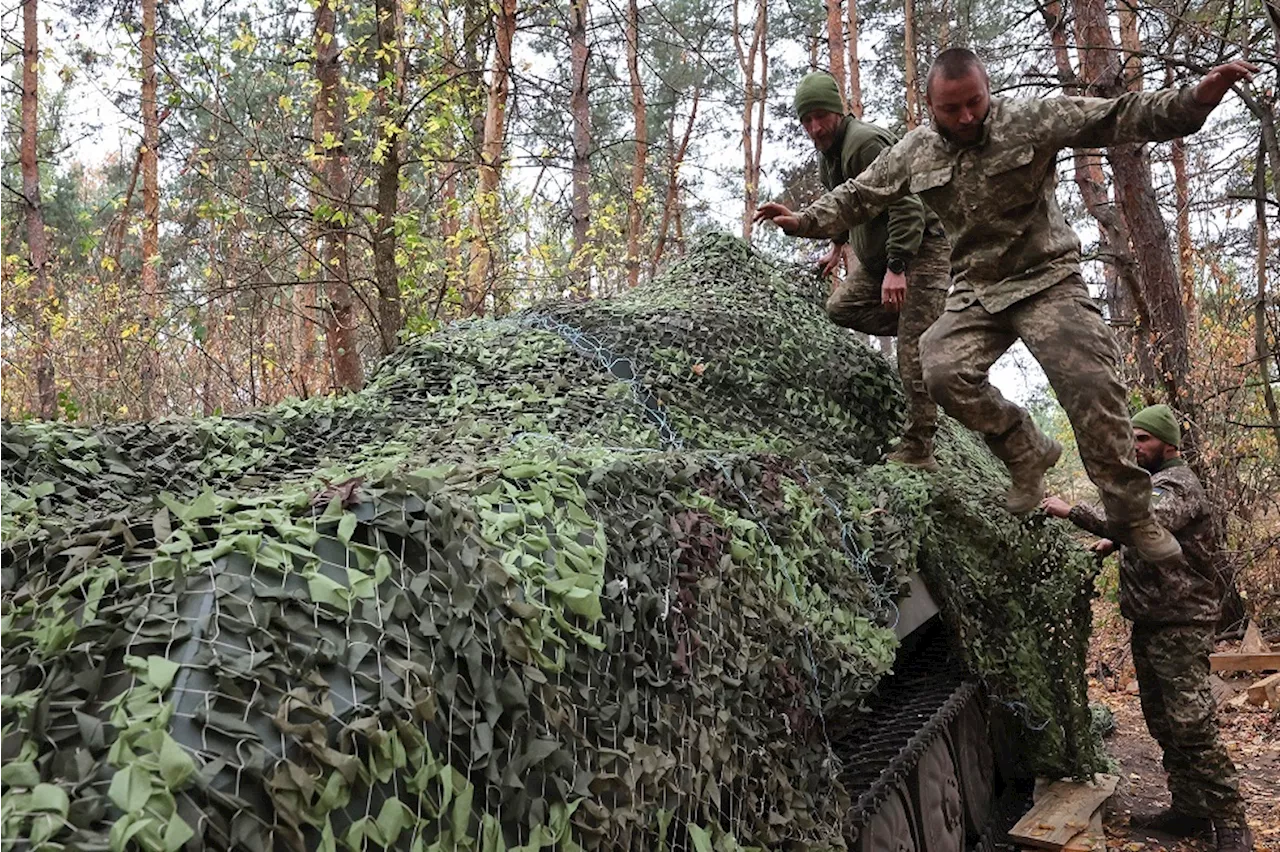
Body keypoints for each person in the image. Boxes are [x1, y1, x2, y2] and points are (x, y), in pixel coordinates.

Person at [753, 48, 1257, 566]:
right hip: (978, 288)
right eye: (952, 109)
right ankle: (1026, 449)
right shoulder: (915, 151)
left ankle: (1133, 514)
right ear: (930, 107)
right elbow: (861, 195)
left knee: (1092, 386)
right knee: (939, 367)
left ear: (987, 91)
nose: (967, 117)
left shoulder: (1029, 119)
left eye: (975, 102)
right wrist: (804, 221)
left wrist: (1195, 100)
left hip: (1046, 279)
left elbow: (1118, 116)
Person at [1041, 406, 1250, 852]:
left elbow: (1146, 522)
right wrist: (1111, 542)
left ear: (1167, 443)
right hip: (1152, 621)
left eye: (1143, 439)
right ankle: (1190, 808)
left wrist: (1072, 510)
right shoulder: (1153, 484)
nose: (1135, 447)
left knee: (1192, 725)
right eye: (1132, 438)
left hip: (1182, 622)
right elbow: (1137, 529)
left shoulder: (1179, 484)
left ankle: (1232, 821)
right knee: (1163, 723)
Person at [792, 72, 951, 470]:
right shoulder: (828, 152)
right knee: (840, 308)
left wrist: (898, 267)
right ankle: (928, 325)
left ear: (838, 110)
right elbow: (847, 201)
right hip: (879, 259)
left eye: (821, 117)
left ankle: (919, 448)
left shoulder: (864, 142)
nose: (815, 127)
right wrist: (837, 244)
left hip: (918, 252)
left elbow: (906, 204)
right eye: (806, 120)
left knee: (911, 355)